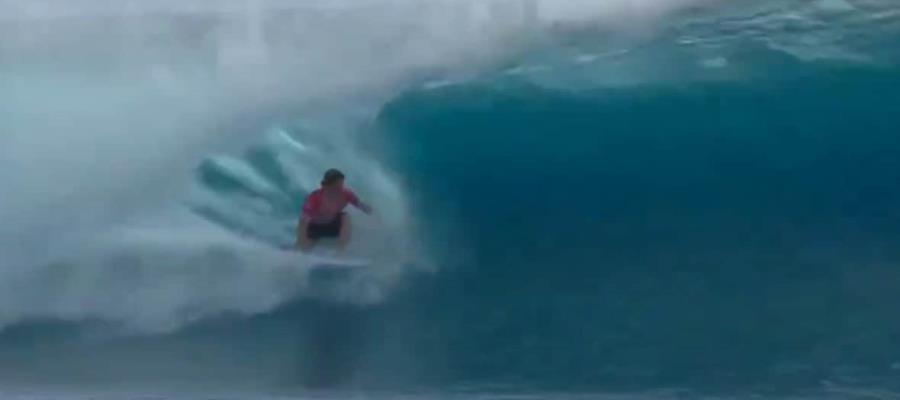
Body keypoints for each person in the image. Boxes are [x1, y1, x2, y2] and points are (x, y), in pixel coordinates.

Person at [296, 169, 372, 251]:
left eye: (341, 184)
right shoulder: (316, 196)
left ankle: (342, 250)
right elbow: (306, 213)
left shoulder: (346, 194)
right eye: (337, 185)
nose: (340, 188)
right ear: (328, 185)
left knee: (345, 216)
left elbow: (359, 204)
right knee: (303, 219)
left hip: (333, 228)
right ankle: (301, 247)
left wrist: (371, 211)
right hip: (316, 228)